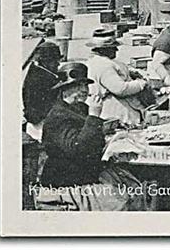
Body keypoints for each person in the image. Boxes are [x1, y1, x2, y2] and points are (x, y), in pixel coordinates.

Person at [36, 63, 149, 211]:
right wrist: (94, 116)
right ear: (64, 90)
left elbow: (88, 138)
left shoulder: (76, 109)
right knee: (122, 203)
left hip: (88, 172)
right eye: (77, 86)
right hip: (70, 183)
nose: (83, 90)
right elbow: (80, 149)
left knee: (137, 188)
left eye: (85, 85)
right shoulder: (58, 117)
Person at [87, 30, 149, 126]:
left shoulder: (97, 61)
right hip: (116, 110)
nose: (116, 50)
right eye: (112, 48)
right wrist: (141, 83)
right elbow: (121, 89)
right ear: (102, 50)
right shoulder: (104, 65)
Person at [22, 41, 62, 141]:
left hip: (34, 120)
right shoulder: (43, 78)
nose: (58, 63)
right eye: (54, 60)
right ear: (45, 62)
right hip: (40, 123)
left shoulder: (36, 71)